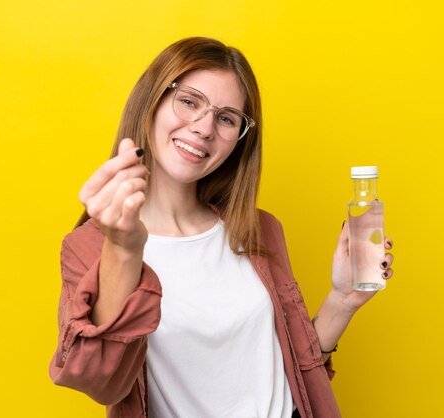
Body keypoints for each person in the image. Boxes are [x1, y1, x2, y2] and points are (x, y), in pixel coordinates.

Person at [49, 37, 394, 418]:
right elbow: (99, 382)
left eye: (226, 118)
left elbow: (294, 370)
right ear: (153, 100)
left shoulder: (258, 229)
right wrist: (124, 248)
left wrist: (343, 299)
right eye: (189, 101)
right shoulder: (90, 247)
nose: (204, 128)